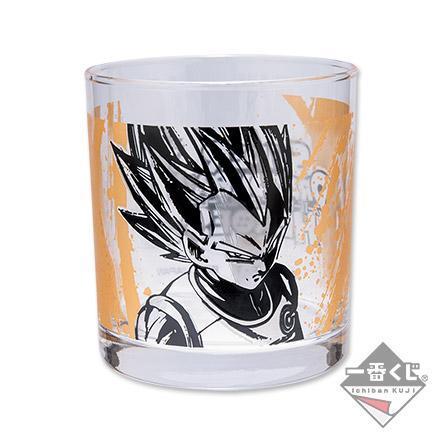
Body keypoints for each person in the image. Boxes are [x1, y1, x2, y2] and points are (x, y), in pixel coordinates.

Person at [112, 124, 303, 347]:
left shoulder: (279, 283)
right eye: (243, 256)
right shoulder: (172, 319)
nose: (262, 265)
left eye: (272, 245)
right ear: (197, 250)